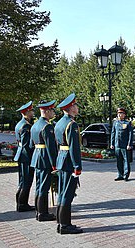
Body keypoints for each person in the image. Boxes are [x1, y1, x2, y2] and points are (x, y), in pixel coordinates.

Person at [54, 93, 83, 234]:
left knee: (62, 193)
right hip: (68, 162)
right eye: (76, 105)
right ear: (71, 108)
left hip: (61, 159)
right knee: (67, 194)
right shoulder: (71, 124)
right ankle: (65, 225)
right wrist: (77, 166)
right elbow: (74, 147)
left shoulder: (59, 123)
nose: (77, 107)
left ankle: (61, 223)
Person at [30, 100, 57, 221]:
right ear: (46, 111)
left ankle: (38, 211)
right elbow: (51, 148)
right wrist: (54, 164)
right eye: (51, 110)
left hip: (37, 157)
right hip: (45, 158)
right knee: (44, 187)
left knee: (39, 186)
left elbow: (32, 144)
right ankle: (43, 213)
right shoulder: (47, 126)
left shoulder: (35, 125)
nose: (53, 112)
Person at [14, 101, 35, 212]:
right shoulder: (26, 126)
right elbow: (27, 146)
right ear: (26, 112)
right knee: (27, 180)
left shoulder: (19, 124)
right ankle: (22, 204)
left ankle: (20, 203)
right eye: (31, 110)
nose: (33, 112)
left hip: (20, 154)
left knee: (22, 180)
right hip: (26, 156)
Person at [110, 107, 133, 181]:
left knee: (126, 160)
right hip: (117, 144)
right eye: (119, 113)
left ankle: (126, 175)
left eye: (121, 113)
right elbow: (113, 133)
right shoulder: (115, 123)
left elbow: (130, 134)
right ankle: (120, 174)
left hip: (125, 145)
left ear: (124, 115)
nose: (120, 115)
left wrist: (129, 144)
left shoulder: (127, 123)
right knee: (119, 161)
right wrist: (112, 143)